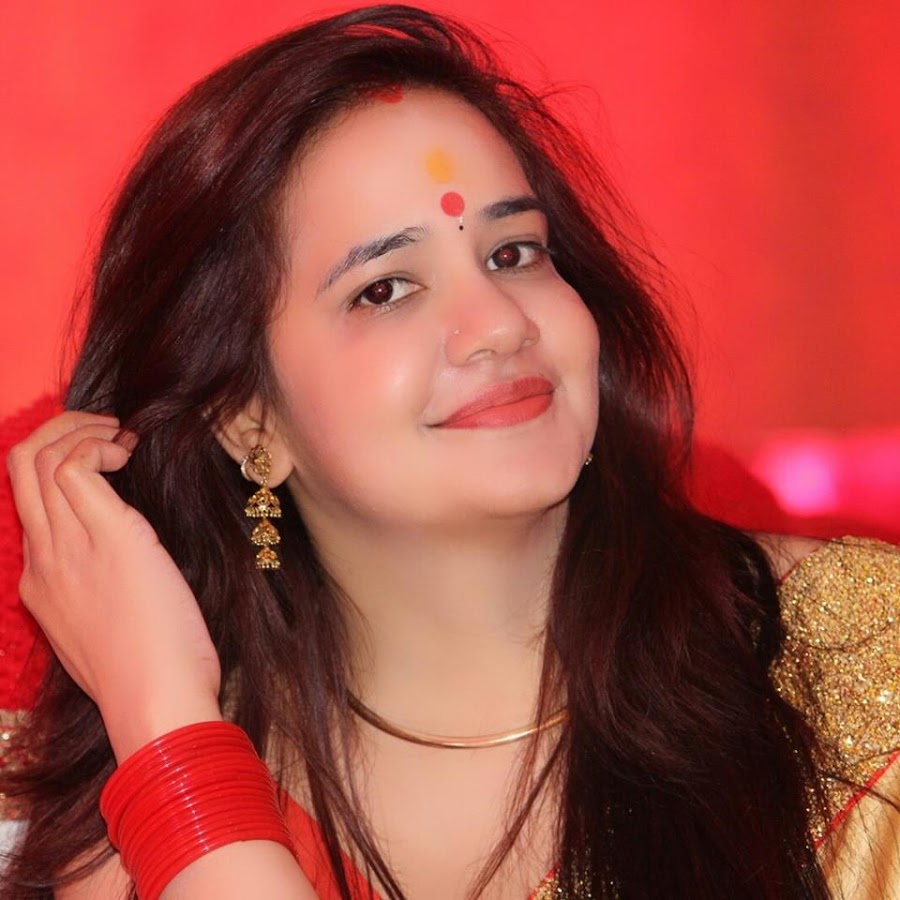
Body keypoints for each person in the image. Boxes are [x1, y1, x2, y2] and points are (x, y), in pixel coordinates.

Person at [2, 5, 898, 898]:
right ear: (248, 421)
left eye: (514, 254)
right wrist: (166, 722)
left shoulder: (861, 664)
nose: (499, 325)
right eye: (386, 289)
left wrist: (167, 740)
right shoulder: (138, 827)